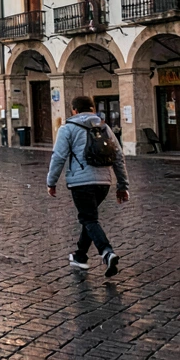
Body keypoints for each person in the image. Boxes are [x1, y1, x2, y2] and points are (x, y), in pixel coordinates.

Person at [48, 95, 129, 278]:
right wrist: (122, 185)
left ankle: (106, 252)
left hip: (81, 182)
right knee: (89, 218)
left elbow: (58, 157)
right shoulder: (104, 127)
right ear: (92, 109)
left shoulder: (68, 128)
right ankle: (80, 256)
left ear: (74, 110)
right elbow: (118, 157)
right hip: (104, 183)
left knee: (89, 219)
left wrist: (51, 182)